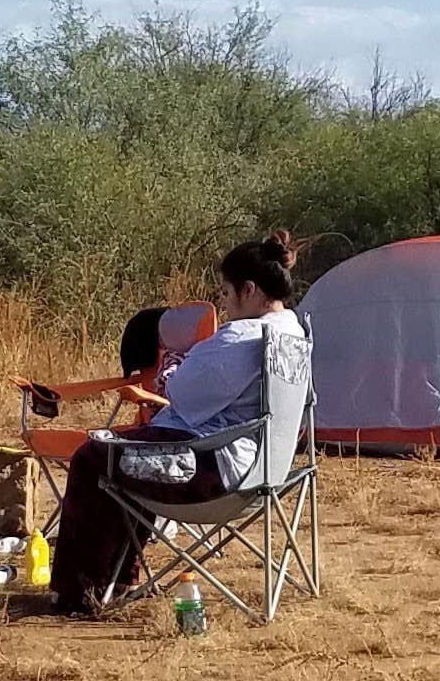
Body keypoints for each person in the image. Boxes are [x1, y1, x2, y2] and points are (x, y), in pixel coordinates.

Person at [38, 233, 301, 613]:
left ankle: (81, 592)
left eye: (226, 294)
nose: (224, 305)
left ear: (249, 289)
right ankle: (117, 578)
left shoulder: (243, 335)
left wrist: (174, 368)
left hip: (214, 473)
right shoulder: (293, 332)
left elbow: (184, 393)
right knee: (128, 452)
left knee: (94, 458)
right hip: (266, 471)